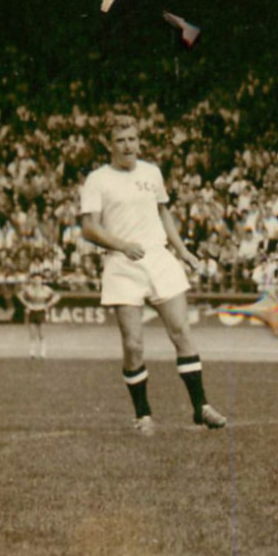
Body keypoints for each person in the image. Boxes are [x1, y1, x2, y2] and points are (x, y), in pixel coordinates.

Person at [80, 114, 227, 436]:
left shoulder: (151, 173)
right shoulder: (98, 180)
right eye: (121, 140)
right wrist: (121, 244)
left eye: (132, 138)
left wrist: (183, 250)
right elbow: (89, 227)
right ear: (109, 145)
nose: (128, 145)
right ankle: (143, 415)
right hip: (122, 263)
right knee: (133, 345)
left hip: (159, 259)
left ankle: (201, 407)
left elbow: (163, 212)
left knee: (181, 332)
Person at [17, 270, 60, 359]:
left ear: (41, 280)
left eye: (39, 279)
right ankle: (32, 352)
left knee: (42, 333)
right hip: (32, 310)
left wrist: (48, 305)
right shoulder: (29, 289)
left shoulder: (46, 289)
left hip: (41, 310)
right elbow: (19, 295)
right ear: (32, 280)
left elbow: (57, 296)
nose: (37, 281)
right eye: (35, 279)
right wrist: (27, 304)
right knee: (32, 333)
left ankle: (42, 352)